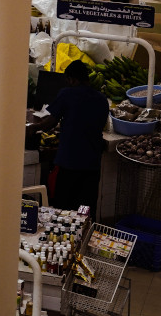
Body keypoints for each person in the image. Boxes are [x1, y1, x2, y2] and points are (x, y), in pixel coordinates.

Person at [27, 61, 109, 215]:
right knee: (85, 208)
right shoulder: (102, 99)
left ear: (72, 79)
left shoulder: (67, 94)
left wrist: (33, 128)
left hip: (68, 164)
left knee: (62, 208)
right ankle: (85, 234)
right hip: (91, 166)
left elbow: (49, 123)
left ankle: (62, 236)